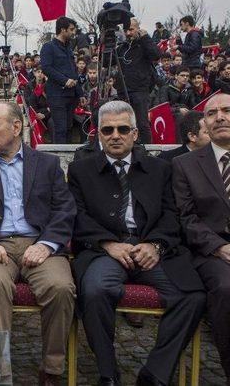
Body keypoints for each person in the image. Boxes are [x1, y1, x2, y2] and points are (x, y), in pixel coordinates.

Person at [68, 100, 206, 386]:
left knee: (192, 296)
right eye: (107, 130)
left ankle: (155, 373)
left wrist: (155, 245)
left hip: (152, 251)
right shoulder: (81, 170)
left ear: (134, 133)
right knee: (95, 290)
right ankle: (108, 373)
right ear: (99, 134)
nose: (115, 135)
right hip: (104, 252)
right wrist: (107, 244)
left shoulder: (160, 169)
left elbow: (172, 214)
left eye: (122, 129)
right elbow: (76, 216)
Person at [0, 102, 76, 384]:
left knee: (61, 287)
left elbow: (64, 209)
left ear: (16, 127)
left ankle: (52, 369)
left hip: (39, 243)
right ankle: (0, 372)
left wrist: (47, 244)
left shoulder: (47, 164)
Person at [172, 92, 230, 381]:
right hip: (211, 253)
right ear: (204, 123)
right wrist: (220, 247)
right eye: (212, 113)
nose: (220, 117)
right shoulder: (186, 165)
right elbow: (186, 217)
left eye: (227, 110)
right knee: (226, 288)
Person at [40, 17, 86, 143]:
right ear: (62, 30)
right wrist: (64, 80)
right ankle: (60, 159)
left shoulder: (69, 48)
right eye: (71, 29)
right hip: (57, 94)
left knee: (69, 127)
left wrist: (80, 93)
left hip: (71, 96)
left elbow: (74, 72)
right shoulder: (48, 47)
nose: (73, 32)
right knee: (60, 128)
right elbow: (46, 68)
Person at [116, 18, 161, 144]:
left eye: (131, 29)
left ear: (138, 29)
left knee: (142, 124)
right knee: (124, 123)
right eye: (126, 30)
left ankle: (146, 151)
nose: (128, 33)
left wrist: (145, 38)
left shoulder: (144, 45)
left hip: (140, 91)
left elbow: (156, 55)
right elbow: (106, 62)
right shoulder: (122, 48)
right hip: (123, 91)